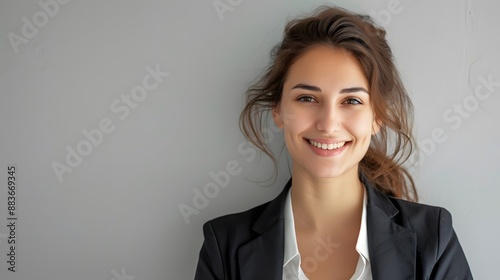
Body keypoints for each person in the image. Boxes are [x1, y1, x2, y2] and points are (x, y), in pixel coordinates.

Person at [194, 6, 473, 280]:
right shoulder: (223, 245)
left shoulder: (435, 238)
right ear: (278, 110)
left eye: (351, 101)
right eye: (307, 98)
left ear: (377, 116)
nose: (328, 124)